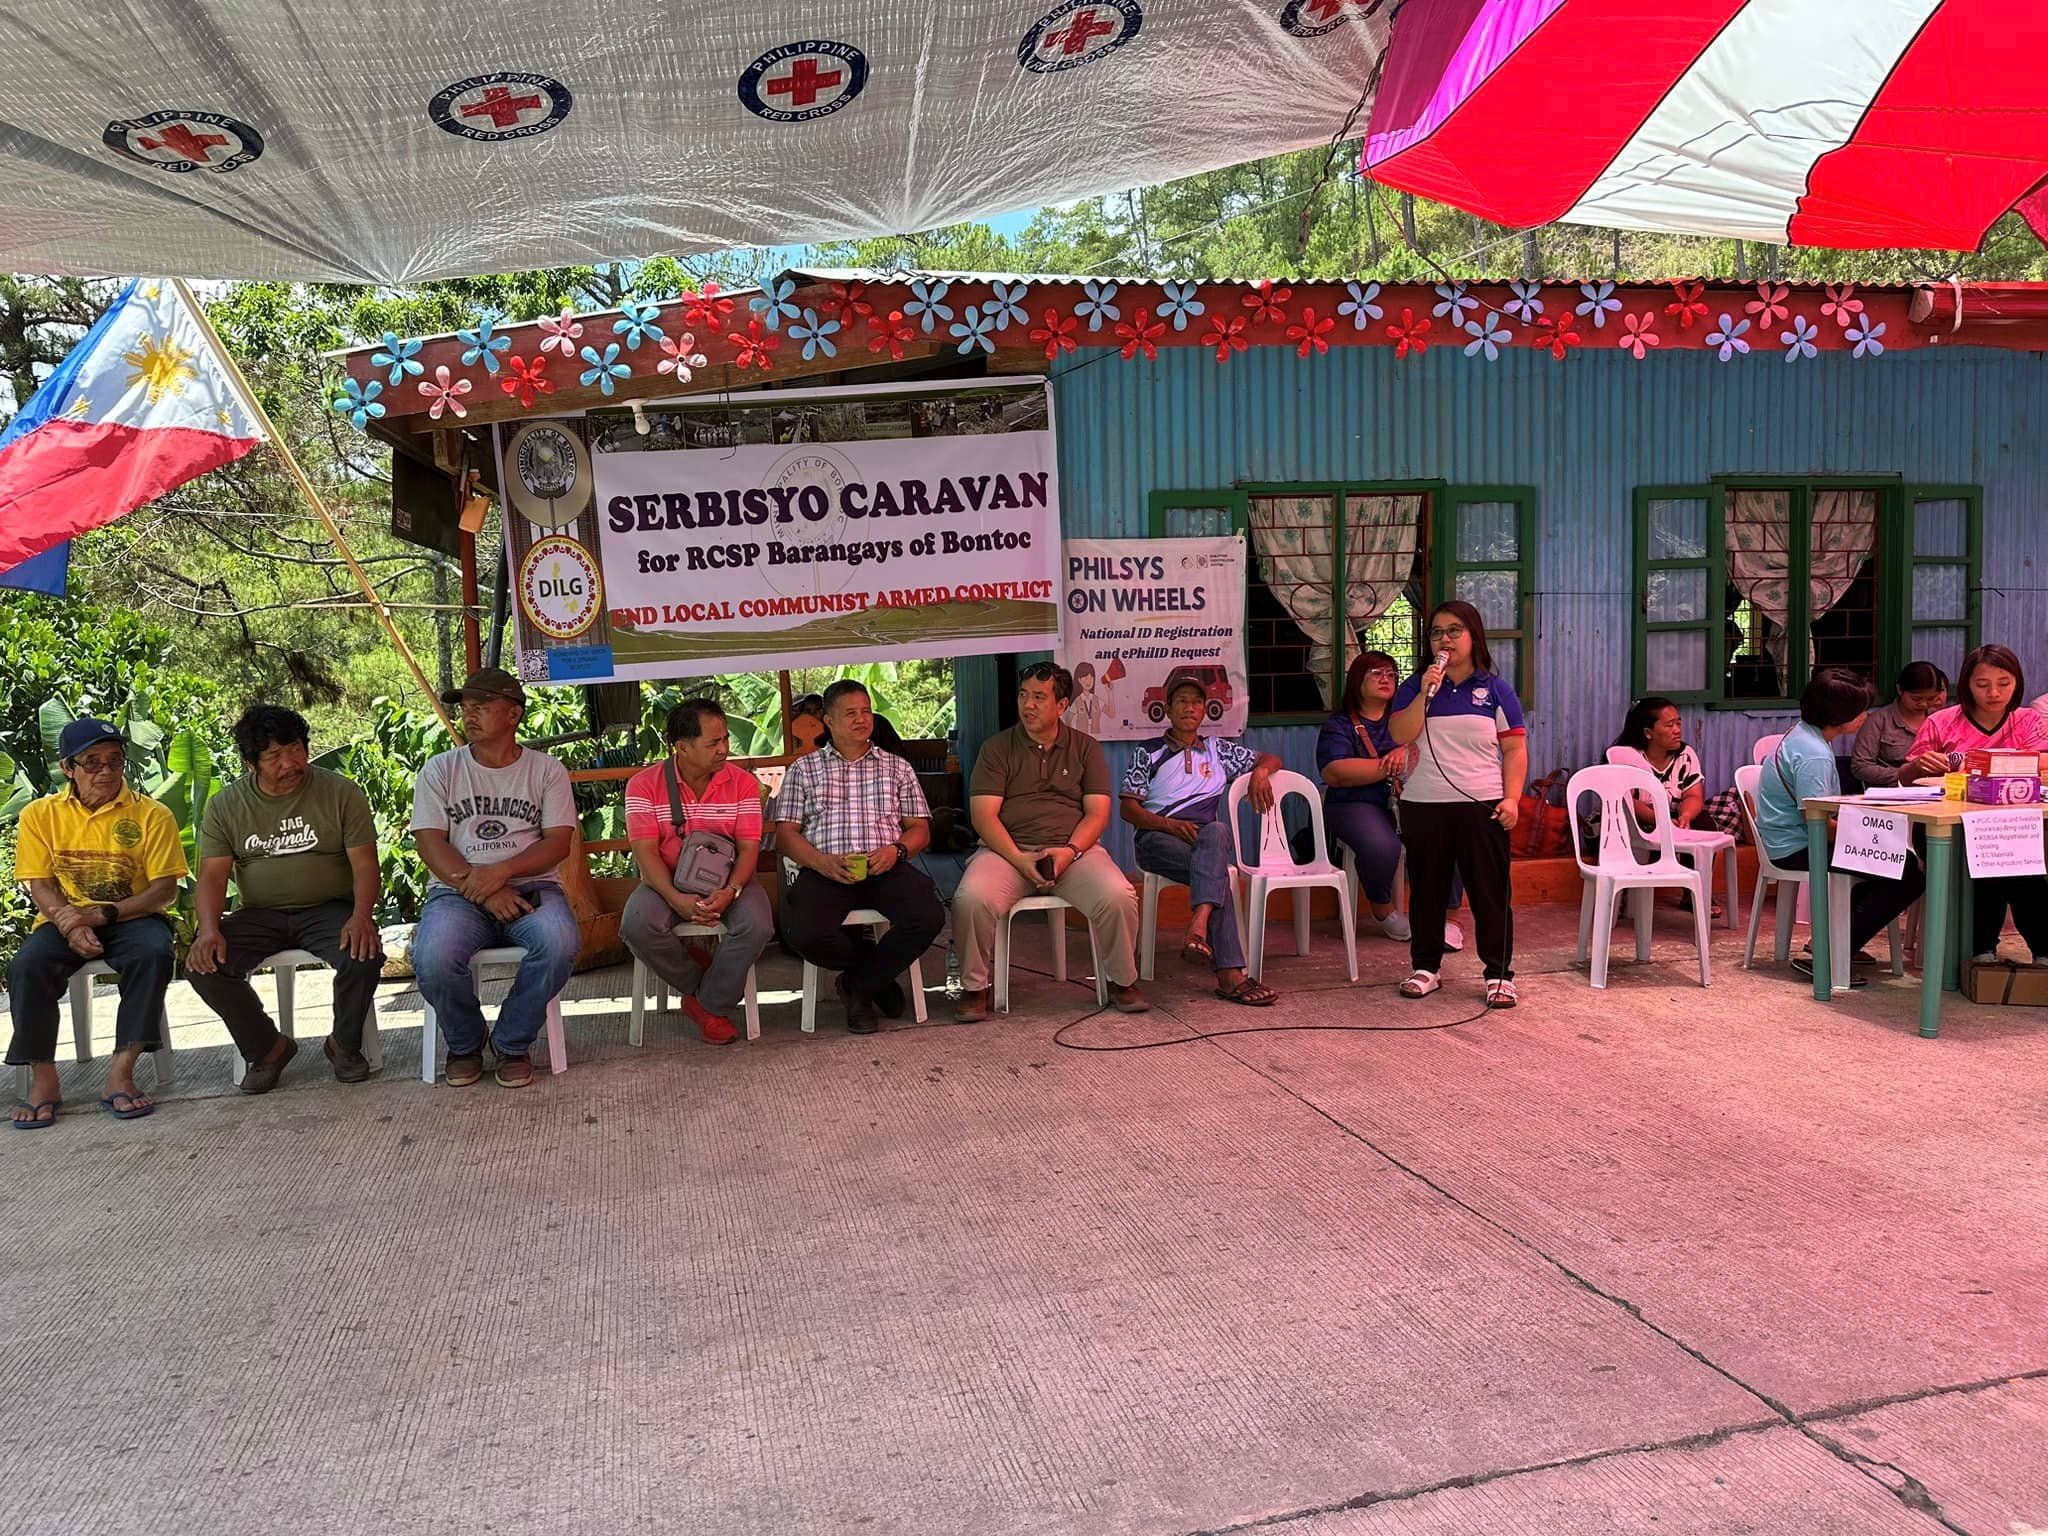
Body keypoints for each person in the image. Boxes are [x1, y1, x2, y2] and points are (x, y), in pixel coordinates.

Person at [186, 705, 385, 1092]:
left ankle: (343, 1045)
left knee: (364, 952)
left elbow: (365, 864)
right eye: (274, 756)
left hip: (329, 910)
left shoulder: (340, 792)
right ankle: (268, 1048)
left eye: (295, 749)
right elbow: (212, 875)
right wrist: (209, 931)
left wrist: (361, 916)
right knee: (203, 966)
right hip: (260, 913)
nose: (290, 763)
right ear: (250, 763)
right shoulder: (226, 805)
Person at [6, 718, 186, 1124]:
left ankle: (121, 1075)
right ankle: (44, 1079)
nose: (106, 771)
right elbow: (40, 884)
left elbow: (163, 891)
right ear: (67, 767)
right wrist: (72, 923)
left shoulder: (152, 815)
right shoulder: (40, 815)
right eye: (92, 762)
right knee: (27, 966)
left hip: (135, 915)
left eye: (115, 761)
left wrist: (102, 914)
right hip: (63, 917)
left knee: (153, 954)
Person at [409, 667, 580, 1088]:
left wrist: (501, 873)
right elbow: (429, 843)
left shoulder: (546, 770)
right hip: (457, 892)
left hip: (533, 887)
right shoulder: (440, 769)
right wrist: (483, 890)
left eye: (482, 707)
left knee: (559, 943)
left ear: (513, 714)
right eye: (466, 707)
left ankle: (512, 1042)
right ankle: (466, 1043)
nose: (469, 715)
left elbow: (558, 843)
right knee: (432, 956)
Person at [953, 663, 1150, 1020]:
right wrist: (1018, 858)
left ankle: (1123, 981)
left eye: (1039, 697)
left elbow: (1097, 814)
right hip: (1007, 852)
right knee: (971, 898)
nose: (1027, 704)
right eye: (1023, 695)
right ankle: (974, 988)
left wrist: (1070, 852)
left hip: (1073, 852)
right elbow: (983, 817)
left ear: (1061, 705)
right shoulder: (996, 748)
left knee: (1118, 895)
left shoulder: (1085, 748)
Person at [774, 679, 945, 1033]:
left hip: (885, 866)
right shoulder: (804, 770)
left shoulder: (896, 767)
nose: (861, 719)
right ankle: (875, 978)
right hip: (827, 869)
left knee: (927, 915)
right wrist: (820, 862)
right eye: (850, 713)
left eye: (866, 711)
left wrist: (897, 850)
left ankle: (856, 986)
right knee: (805, 934)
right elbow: (786, 836)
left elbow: (920, 829)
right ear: (829, 721)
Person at [1387, 600, 1527, 1008]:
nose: (1444, 639)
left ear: (1473, 636)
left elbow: (1515, 749)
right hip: (1424, 803)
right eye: (1435, 632)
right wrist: (1426, 693)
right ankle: (1426, 968)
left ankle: (1499, 973)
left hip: (1481, 804)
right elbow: (1401, 733)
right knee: (1428, 889)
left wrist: (1513, 799)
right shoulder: (1417, 685)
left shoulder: (1496, 690)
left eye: (1453, 631)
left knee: (1489, 891)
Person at [1755, 667, 1926, 985]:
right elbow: (1818, 822)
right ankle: (1829, 953)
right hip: (1797, 845)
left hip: (1793, 837)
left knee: (1891, 863)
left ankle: (1839, 938)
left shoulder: (1805, 734)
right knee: (1907, 875)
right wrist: (1871, 836)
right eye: (1860, 710)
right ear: (1838, 715)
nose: (1866, 716)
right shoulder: (1815, 756)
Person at [1122, 670, 1280, 1006]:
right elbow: (1129, 810)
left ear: (1206, 710)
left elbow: (1269, 758)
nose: (1189, 708)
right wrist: (1168, 826)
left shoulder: (1217, 750)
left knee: (1216, 834)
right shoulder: (1147, 752)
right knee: (1217, 867)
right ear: (1167, 709)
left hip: (1203, 840)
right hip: (1156, 840)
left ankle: (1200, 923)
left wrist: (1261, 772)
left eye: (1196, 702)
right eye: (1181, 701)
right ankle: (1229, 973)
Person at [620, 699, 770, 1044]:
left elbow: (749, 848)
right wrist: (675, 899)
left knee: (757, 924)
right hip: (665, 879)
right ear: (682, 747)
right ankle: (702, 986)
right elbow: (645, 852)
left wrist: (731, 890)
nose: (724, 749)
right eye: (713, 743)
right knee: (637, 925)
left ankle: (706, 1003)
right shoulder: (643, 785)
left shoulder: (743, 783)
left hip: (730, 878)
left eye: (726, 739)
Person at [1898, 644, 2048, 963]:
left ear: (2017, 682)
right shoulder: (1940, 723)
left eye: (2003, 683)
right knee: (1997, 862)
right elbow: (1907, 777)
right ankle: (1982, 950)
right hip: (1946, 830)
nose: (1993, 693)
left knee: (2019, 867)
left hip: (2013, 828)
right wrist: (1918, 766)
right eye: (1982, 684)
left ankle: (2025, 952)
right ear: (1966, 684)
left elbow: (2044, 763)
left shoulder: (2029, 721)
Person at [1317, 650, 1464, 949]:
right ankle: (1383, 910)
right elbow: (1336, 772)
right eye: (1376, 673)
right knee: (1383, 845)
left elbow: (1427, 751)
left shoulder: (1403, 718)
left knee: (1451, 832)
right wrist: (1394, 761)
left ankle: (1449, 920)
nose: (1386, 679)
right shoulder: (1340, 725)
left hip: (1409, 800)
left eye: (1391, 674)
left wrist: (1407, 751)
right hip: (1354, 803)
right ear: (1357, 680)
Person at [1607, 696, 1732, 921]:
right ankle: (1627, 890)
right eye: (1669, 725)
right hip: (1633, 822)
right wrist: (1660, 820)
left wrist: (1685, 816)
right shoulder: (1624, 757)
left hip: (1672, 822)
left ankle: (1694, 893)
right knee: (1627, 828)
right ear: (1648, 733)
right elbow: (1625, 802)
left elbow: (1694, 794)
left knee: (1702, 822)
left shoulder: (1685, 755)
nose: (1677, 730)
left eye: (1678, 723)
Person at [1851, 662, 1949, 790]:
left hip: (1935, 792)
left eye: (1931, 699)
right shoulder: (1879, 721)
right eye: (1916, 699)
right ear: (1899, 690)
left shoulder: (1939, 720)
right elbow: (1860, 767)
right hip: (1890, 794)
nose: (1924, 704)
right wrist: (1903, 774)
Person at [1065, 661, 1102, 735]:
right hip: (1080, 738)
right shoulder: (1076, 701)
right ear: (1079, 680)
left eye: (1091, 677)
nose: (1089, 681)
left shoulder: (1095, 699)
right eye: (1085, 678)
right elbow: (1068, 721)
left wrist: (1109, 692)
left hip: (1094, 738)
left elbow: (1111, 713)